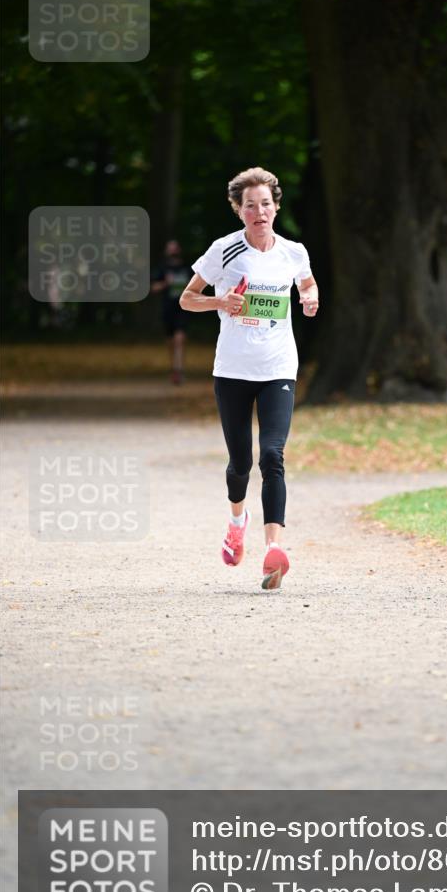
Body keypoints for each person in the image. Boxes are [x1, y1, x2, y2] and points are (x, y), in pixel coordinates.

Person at [179, 167, 319, 590]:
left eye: (265, 203)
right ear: (238, 211)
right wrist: (221, 301)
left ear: (276, 206)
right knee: (240, 463)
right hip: (233, 370)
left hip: (278, 368)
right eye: (250, 205)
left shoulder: (293, 252)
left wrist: (309, 299)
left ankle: (274, 551)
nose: (259, 211)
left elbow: (308, 285)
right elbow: (187, 299)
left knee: (272, 455)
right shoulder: (224, 250)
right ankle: (236, 522)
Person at [151, 240, 192, 385]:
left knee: (180, 338)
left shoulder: (187, 268)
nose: (173, 252)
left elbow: (196, 287)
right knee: (170, 341)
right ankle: (173, 367)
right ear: (166, 252)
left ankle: (179, 370)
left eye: (175, 249)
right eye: (171, 249)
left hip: (183, 308)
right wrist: (165, 283)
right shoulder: (162, 268)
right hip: (167, 309)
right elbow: (154, 288)